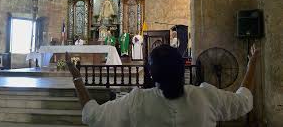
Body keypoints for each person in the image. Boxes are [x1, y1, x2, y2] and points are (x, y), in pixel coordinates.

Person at [66, 44, 259, 127]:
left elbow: (92, 115)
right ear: (181, 68)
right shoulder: (206, 97)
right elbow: (244, 101)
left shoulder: (136, 102)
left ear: (151, 73)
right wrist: (252, 65)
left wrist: (77, 78)